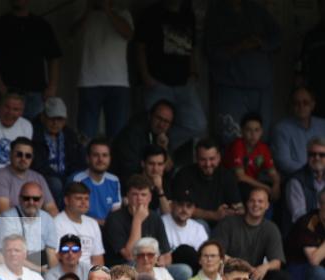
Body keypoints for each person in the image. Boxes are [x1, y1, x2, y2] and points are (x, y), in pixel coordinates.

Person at [204, 0, 281, 144]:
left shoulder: (257, 10)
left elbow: (277, 38)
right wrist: (238, 47)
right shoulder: (216, 12)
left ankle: (258, 167)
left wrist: (260, 43)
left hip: (260, 83)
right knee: (231, 137)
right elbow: (210, 50)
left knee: (260, 137)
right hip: (229, 85)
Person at [134, 0, 206, 152]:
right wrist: (145, 76)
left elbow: (191, 48)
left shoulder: (188, 13)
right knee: (151, 125)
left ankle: (163, 144)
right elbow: (140, 47)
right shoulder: (150, 13)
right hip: (157, 82)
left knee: (198, 124)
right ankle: (152, 158)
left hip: (184, 83)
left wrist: (193, 73)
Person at [212, 187, 290, 280]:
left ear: (267, 205)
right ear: (247, 203)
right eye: (252, 201)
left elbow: (277, 262)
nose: (256, 205)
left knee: (282, 278)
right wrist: (243, 267)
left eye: (260, 201)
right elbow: (216, 252)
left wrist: (265, 267)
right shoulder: (229, 223)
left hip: (254, 276)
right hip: (228, 274)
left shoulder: (270, 228)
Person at [0, 0, 62, 120]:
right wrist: (0, 87)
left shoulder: (41, 25)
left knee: (34, 132)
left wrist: (52, 87)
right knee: (8, 131)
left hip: (36, 91)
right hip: (9, 90)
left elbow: (54, 57)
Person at [71, 0, 134, 140]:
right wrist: (88, 10)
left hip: (118, 82)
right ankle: (85, 161)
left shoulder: (123, 13)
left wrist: (108, 10)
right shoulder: (83, 14)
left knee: (118, 135)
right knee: (85, 134)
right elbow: (72, 33)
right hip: (88, 81)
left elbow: (128, 33)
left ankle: (115, 162)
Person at [103, 174, 173, 269]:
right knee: (132, 265)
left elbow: (167, 255)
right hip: (122, 268)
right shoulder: (114, 218)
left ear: (150, 197)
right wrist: (137, 220)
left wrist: (162, 261)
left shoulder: (155, 217)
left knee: (183, 271)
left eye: (143, 195)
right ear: (127, 196)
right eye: (135, 194)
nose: (139, 199)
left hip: (152, 265)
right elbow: (130, 255)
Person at [172, 139, 242, 226]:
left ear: (219, 157)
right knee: (201, 223)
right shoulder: (184, 175)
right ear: (196, 158)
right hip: (193, 223)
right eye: (203, 159)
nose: (208, 164)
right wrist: (214, 215)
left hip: (221, 225)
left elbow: (237, 205)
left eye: (212, 159)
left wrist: (235, 211)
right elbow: (179, 208)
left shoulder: (227, 176)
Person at [0, 181, 58, 272]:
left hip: (41, 262)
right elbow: (9, 255)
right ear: (19, 199)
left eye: (36, 199)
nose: (31, 202)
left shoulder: (47, 218)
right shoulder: (7, 218)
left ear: (42, 200)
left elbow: (51, 253)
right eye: (26, 198)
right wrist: (39, 270)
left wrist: (53, 275)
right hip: (13, 265)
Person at [31, 98, 85, 203]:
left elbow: (78, 161)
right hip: (44, 176)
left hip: (66, 175)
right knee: (56, 183)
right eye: (51, 118)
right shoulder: (34, 134)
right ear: (43, 117)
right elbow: (38, 165)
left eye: (59, 119)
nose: (55, 123)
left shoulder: (70, 135)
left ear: (65, 120)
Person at [0, 137, 56, 215]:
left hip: (34, 224)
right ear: (10, 155)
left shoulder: (38, 178)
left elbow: (52, 209)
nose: (23, 158)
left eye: (28, 156)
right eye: (19, 154)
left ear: (32, 159)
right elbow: (5, 214)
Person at [111, 100, 176, 180]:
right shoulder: (132, 133)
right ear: (150, 116)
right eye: (159, 118)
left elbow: (169, 171)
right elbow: (129, 169)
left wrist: (164, 148)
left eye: (166, 122)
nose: (161, 124)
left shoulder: (164, 137)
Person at [225, 112, 281, 202]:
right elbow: (240, 176)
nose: (253, 134)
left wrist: (276, 184)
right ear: (242, 131)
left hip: (253, 183)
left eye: (256, 130)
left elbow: (273, 172)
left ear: (261, 132)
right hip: (233, 185)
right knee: (246, 189)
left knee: (280, 191)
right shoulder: (237, 145)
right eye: (248, 130)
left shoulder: (263, 148)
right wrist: (265, 187)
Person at [272, 86, 325, 175]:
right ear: (292, 106)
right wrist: (312, 171)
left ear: (312, 105)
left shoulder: (323, 125)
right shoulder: (281, 129)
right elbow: (284, 162)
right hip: (296, 179)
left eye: (305, 102)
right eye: (297, 103)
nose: (301, 106)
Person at [53, 181, 105, 266]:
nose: (84, 202)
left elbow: (98, 259)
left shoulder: (92, 223)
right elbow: (56, 257)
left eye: (86, 198)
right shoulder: (56, 223)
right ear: (66, 200)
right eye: (78, 198)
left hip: (89, 276)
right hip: (67, 274)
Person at [71, 138, 121, 224]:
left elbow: (116, 213)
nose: (100, 159)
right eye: (96, 155)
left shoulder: (114, 180)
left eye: (104, 155)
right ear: (88, 158)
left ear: (110, 158)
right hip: (84, 227)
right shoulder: (78, 179)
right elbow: (75, 214)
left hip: (108, 228)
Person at [287, 189, 325, 280]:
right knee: (319, 273)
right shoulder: (308, 222)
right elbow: (314, 259)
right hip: (300, 269)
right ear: (320, 205)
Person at [285, 137, 325, 226]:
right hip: (307, 233)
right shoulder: (296, 181)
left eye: (322, 155)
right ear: (307, 156)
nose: (317, 158)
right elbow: (300, 217)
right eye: (312, 154)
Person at [162, 196, 209, 273]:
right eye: (180, 205)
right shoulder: (161, 223)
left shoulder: (199, 228)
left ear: (194, 209)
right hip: (168, 269)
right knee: (184, 252)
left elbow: (203, 257)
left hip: (195, 270)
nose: (184, 209)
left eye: (189, 206)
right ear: (172, 205)